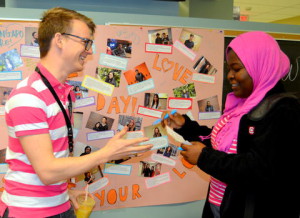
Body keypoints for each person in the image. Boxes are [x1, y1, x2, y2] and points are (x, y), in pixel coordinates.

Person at [0, 7, 152, 218]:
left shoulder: (63, 94)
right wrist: (107, 153)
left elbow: (49, 163)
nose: (89, 50)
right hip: (30, 212)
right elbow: (47, 171)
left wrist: (64, 192)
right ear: (60, 40)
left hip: (60, 205)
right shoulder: (28, 97)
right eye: (85, 42)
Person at [161, 31, 300, 218]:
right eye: (229, 69)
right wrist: (186, 126)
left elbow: (258, 169)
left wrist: (203, 157)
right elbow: (222, 145)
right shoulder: (242, 106)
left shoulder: (283, 110)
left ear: (259, 66)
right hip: (219, 205)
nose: (230, 76)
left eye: (236, 68)